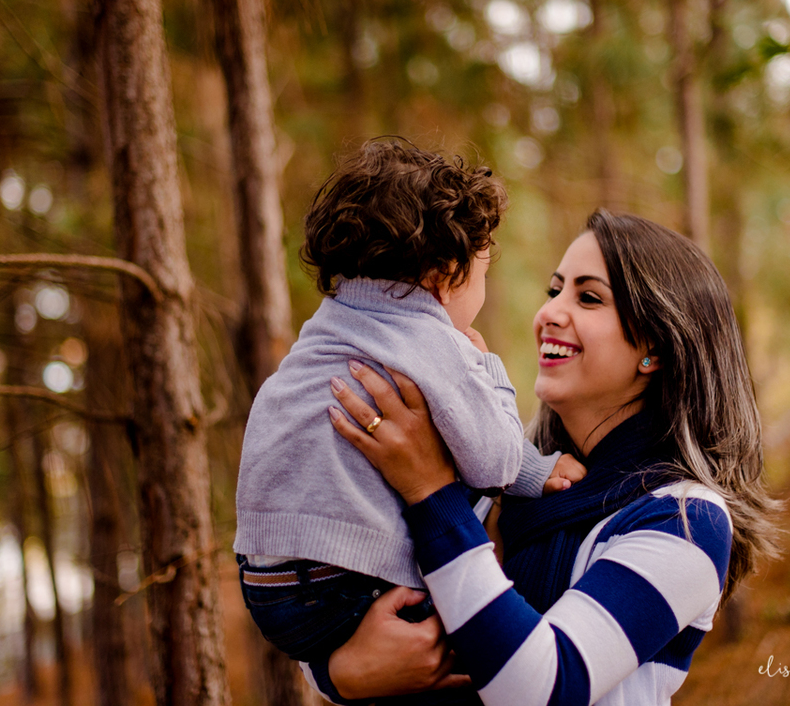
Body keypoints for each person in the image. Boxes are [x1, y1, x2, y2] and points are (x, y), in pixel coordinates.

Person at [321, 209, 780, 705]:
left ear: (656, 348)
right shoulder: (499, 478)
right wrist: (342, 673)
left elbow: (543, 687)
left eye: (588, 297)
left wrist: (430, 493)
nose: (550, 314)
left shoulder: (685, 520)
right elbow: (351, 615)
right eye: (554, 291)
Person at [233, 139, 586, 670]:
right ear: (446, 276)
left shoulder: (327, 327)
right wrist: (485, 368)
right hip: (347, 584)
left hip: (267, 585)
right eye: (483, 273)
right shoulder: (427, 334)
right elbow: (494, 459)